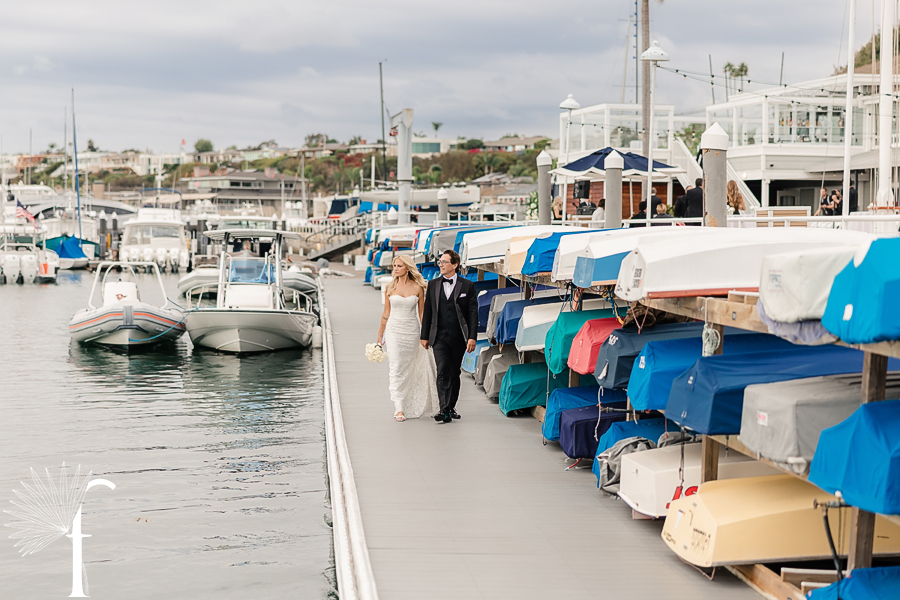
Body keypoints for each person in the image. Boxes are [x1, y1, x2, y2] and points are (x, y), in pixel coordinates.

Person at [377, 255, 440, 422]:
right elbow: (386, 313)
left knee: (411, 367)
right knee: (396, 366)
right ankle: (399, 407)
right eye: (394, 266)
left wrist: (424, 335)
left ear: (407, 268)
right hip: (393, 331)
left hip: (412, 331)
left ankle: (410, 400)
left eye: (399, 266)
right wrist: (379, 335)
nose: (395, 269)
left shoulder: (418, 287)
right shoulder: (390, 287)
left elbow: (422, 314)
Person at [421, 250, 478, 424]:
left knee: (454, 373)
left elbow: (472, 313)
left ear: (455, 265)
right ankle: (443, 408)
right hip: (439, 336)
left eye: (445, 262)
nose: (441, 264)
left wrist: (472, 337)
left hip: (459, 337)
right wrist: (424, 336)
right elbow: (428, 312)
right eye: (440, 262)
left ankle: (451, 406)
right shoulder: (433, 284)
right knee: (442, 370)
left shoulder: (467, 286)